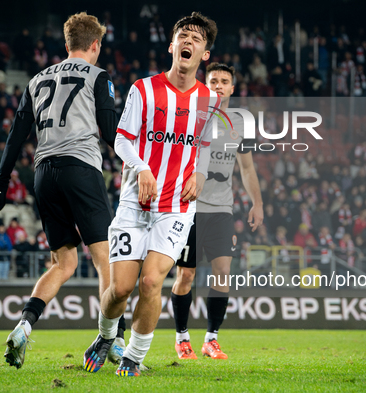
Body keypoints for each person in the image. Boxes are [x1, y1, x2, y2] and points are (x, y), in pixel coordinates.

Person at [87, 12, 219, 377]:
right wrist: (142, 168)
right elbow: (122, 139)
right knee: (119, 289)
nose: (188, 42)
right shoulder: (144, 89)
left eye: (196, 38)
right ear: (172, 45)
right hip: (135, 201)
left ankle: (133, 358)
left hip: (177, 207)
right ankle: (104, 336)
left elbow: (205, 145)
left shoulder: (209, 99)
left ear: (204, 53)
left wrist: (201, 174)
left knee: (151, 281)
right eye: (183, 36)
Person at [0, 12, 117, 369]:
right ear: (95, 45)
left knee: (64, 261)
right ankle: (113, 340)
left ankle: (24, 325)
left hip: (43, 173)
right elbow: (109, 131)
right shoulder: (98, 76)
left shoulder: (38, 79)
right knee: (105, 257)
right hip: (81, 169)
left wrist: (0, 186)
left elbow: (15, 138)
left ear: (66, 44)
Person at [170, 63, 263, 360]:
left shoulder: (240, 123)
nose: (219, 85)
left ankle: (211, 339)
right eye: (213, 81)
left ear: (233, 88)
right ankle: (182, 338)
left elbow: (247, 168)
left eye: (224, 81)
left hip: (222, 209)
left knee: (223, 272)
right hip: (190, 208)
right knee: (186, 275)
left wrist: (257, 203)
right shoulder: (190, 116)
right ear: (205, 84)